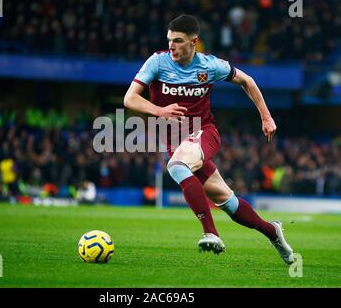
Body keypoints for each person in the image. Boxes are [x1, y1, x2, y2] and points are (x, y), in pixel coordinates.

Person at [124, 14, 294, 265]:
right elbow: (130, 99)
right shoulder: (157, 62)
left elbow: (247, 81)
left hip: (203, 132)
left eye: (178, 41)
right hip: (176, 143)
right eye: (170, 40)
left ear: (194, 42)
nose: (172, 46)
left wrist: (266, 117)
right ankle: (273, 232)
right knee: (228, 202)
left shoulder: (210, 66)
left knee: (177, 166)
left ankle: (211, 233)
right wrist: (160, 111)